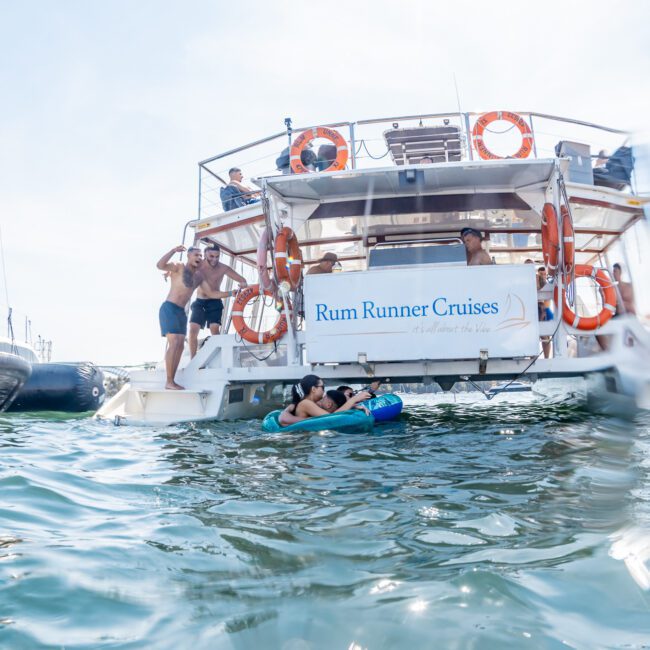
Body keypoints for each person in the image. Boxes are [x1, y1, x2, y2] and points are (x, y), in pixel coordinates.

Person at [156, 245, 204, 390]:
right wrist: (172, 251)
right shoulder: (178, 267)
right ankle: (169, 381)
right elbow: (160, 265)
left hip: (181, 312)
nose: (199, 258)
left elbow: (211, 290)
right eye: (196, 255)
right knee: (175, 342)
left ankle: (172, 380)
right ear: (189, 256)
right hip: (169, 308)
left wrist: (229, 294)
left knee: (181, 345)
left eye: (200, 256)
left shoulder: (198, 277)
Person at [189, 244, 248, 358]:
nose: (214, 259)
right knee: (193, 329)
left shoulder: (223, 268)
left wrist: (242, 284)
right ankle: (193, 359)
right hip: (200, 301)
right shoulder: (198, 266)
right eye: (211, 256)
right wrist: (170, 273)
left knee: (214, 329)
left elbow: (242, 280)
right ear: (205, 254)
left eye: (217, 256)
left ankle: (219, 356)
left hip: (215, 301)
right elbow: (184, 269)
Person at [280, 375, 371, 425]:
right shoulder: (306, 403)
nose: (324, 390)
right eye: (322, 387)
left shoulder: (307, 403)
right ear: (313, 389)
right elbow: (329, 418)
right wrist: (354, 399)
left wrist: (353, 406)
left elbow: (331, 413)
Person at [536, 266, 552, 358]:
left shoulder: (547, 284)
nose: (543, 275)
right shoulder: (536, 282)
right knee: (535, 335)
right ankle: (532, 357)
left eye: (544, 274)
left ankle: (547, 358)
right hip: (537, 309)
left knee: (545, 336)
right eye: (541, 274)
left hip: (546, 310)